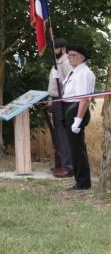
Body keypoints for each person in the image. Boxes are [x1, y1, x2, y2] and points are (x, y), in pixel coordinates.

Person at [63, 44, 95, 190]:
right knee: (74, 147)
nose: (70, 57)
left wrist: (78, 120)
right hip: (70, 107)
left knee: (77, 148)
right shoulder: (74, 71)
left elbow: (84, 99)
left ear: (82, 58)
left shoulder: (83, 73)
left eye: (73, 55)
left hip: (77, 109)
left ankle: (83, 182)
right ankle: (79, 179)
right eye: (68, 55)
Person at [47, 38, 73, 178]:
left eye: (55, 48)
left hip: (63, 100)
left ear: (62, 48)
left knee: (64, 134)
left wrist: (62, 99)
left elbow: (69, 82)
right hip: (56, 100)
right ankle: (62, 163)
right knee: (59, 134)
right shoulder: (58, 62)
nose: (53, 51)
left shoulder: (66, 62)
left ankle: (69, 167)